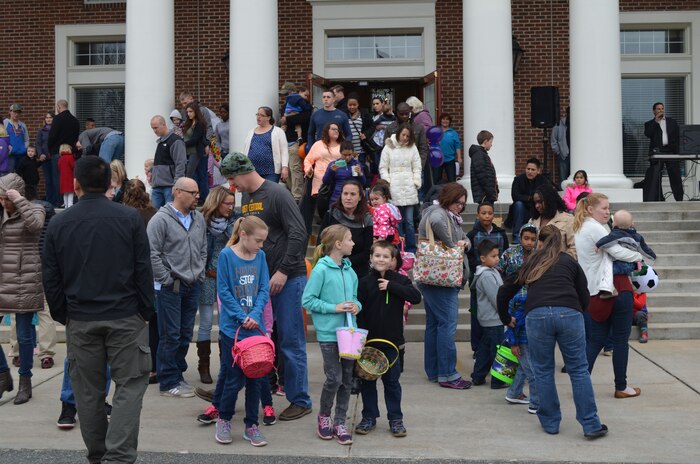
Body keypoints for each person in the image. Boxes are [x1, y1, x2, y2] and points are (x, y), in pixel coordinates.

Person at [42, 156, 155, 462]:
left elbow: (50, 277)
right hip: (125, 316)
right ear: (110, 184)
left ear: (75, 184)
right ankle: (117, 457)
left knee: (88, 392)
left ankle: (100, 454)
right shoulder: (129, 218)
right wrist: (146, 310)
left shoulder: (59, 222)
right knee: (130, 385)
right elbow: (143, 268)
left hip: (82, 317)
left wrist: (63, 314)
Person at [220, 152, 312, 421]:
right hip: (259, 281)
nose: (232, 185)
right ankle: (260, 389)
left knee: (290, 341)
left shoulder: (277, 193)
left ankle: (300, 398)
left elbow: (298, 232)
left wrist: (283, 271)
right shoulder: (247, 199)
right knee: (260, 340)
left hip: (288, 277)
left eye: (232, 178)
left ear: (244, 171)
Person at [497, 226, 608, 439]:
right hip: (569, 313)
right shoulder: (569, 262)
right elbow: (584, 294)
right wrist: (576, 311)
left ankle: (550, 423)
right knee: (578, 370)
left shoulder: (531, 262)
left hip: (537, 315)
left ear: (541, 241)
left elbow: (505, 291)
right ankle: (591, 424)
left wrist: (505, 318)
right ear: (562, 243)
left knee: (543, 370)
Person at [573, 193, 643, 399]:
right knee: (620, 340)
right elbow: (618, 252)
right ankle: (621, 387)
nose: (608, 212)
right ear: (590, 209)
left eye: (608, 208)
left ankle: (580, 383)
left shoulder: (581, 227)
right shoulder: (596, 228)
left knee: (596, 340)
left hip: (595, 293)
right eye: (604, 208)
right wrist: (640, 255)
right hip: (615, 288)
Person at [213, 216, 271, 447]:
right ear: (244, 235)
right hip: (233, 330)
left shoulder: (261, 256)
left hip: (255, 330)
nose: (261, 245)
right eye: (258, 240)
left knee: (256, 378)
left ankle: (251, 425)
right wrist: (241, 316)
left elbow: (264, 288)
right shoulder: (227, 256)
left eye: (264, 241)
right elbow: (224, 290)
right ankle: (224, 419)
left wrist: (255, 316)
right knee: (233, 378)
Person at [147, 177, 207, 398]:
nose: (197, 196)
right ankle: (168, 381)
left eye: (197, 192)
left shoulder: (198, 218)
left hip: (193, 285)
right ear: (177, 192)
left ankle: (177, 374)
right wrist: (166, 279)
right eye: (193, 192)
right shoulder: (160, 220)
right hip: (170, 287)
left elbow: (203, 247)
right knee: (170, 334)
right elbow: (151, 253)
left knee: (183, 334)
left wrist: (199, 274)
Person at [302, 224, 361, 445]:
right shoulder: (321, 270)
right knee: (334, 378)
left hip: (350, 333)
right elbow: (307, 300)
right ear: (338, 244)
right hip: (329, 333)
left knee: (347, 379)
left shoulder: (350, 270)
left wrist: (357, 306)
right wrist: (334, 308)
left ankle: (340, 421)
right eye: (350, 239)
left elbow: (355, 298)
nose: (353, 243)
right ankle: (324, 416)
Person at [355, 241, 421, 437]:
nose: (380, 259)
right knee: (367, 381)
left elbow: (415, 297)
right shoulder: (364, 282)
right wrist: (360, 337)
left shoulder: (400, 281)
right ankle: (369, 417)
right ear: (371, 258)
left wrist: (391, 286)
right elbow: (359, 311)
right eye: (377, 256)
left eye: (385, 256)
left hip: (393, 343)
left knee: (392, 382)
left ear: (393, 260)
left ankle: (395, 418)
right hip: (370, 343)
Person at [417, 183, 471, 389]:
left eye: (463, 205)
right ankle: (448, 374)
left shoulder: (446, 215)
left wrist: (463, 241)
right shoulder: (440, 216)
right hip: (441, 280)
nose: (460, 208)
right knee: (447, 324)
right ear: (449, 198)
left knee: (434, 324)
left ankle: (434, 371)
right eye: (458, 203)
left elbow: (464, 239)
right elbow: (453, 242)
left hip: (433, 278)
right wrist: (461, 242)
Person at [0, 173, 46, 405]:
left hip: (23, 278)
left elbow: (35, 226)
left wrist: (19, 201)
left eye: (6, 198)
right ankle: (2, 373)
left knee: (25, 335)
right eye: (1, 198)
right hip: (1, 277)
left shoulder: (36, 209)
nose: (3, 202)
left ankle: (25, 381)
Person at [197, 186, 239, 384]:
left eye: (233, 203)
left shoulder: (234, 221)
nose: (231, 207)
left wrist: (231, 225)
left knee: (226, 323)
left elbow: (236, 241)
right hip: (207, 276)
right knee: (205, 323)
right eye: (227, 203)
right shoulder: (202, 220)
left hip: (227, 279)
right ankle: (203, 366)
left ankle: (226, 363)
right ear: (216, 201)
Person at [122, 179, 159, 384]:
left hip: (129, 275)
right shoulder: (154, 214)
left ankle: (132, 364)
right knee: (153, 322)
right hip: (152, 275)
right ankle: (154, 367)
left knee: (131, 323)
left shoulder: (123, 216)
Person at [379, 123, 422, 253]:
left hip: (409, 185)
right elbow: (383, 167)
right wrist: (388, 182)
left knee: (409, 221)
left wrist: (416, 181)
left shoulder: (412, 147)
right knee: (396, 221)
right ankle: (397, 248)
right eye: (403, 135)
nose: (405, 138)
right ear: (398, 133)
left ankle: (411, 249)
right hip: (394, 186)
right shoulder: (388, 147)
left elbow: (417, 166)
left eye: (408, 136)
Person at [319, 179, 373, 279]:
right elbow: (321, 243)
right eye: (345, 193)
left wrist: (345, 262)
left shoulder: (367, 220)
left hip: (357, 273)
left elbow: (367, 252)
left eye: (353, 194)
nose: (348, 198)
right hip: (330, 269)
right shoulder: (331, 214)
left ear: (360, 197)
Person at [595, 210, 656, 298]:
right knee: (626, 274)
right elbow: (644, 248)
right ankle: (633, 286)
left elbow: (608, 240)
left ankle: (611, 289)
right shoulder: (638, 237)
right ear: (632, 223)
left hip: (620, 263)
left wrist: (598, 245)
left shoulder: (617, 234)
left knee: (607, 270)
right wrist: (652, 256)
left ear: (615, 224)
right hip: (632, 265)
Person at [470, 240, 505, 388]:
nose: (497, 259)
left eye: (498, 255)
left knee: (484, 350)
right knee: (498, 351)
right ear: (483, 258)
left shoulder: (490, 272)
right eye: (493, 256)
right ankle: (498, 380)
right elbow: (496, 298)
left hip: (488, 319)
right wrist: (506, 316)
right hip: (494, 319)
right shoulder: (487, 276)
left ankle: (478, 376)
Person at [303, 122, 344, 232]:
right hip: (321, 180)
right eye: (334, 129)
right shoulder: (318, 144)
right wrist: (308, 169)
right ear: (327, 131)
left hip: (338, 180)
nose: (337, 131)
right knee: (322, 206)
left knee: (336, 206)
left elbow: (347, 162)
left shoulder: (343, 145)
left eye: (338, 129)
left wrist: (336, 166)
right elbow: (308, 159)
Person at [384, 103, 430, 195]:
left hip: (414, 167)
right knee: (397, 195)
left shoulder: (419, 128)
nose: (404, 116)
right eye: (402, 114)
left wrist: (419, 166)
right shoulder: (390, 128)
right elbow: (386, 149)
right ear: (397, 113)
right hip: (396, 168)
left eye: (406, 113)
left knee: (417, 195)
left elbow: (423, 148)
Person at [643, 102, 684, 202]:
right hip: (658, 152)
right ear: (654, 111)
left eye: (662, 109)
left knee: (674, 175)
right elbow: (648, 134)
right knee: (656, 176)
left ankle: (679, 199)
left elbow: (677, 136)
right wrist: (656, 121)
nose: (661, 111)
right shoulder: (649, 123)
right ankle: (659, 198)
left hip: (670, 151)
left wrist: (678, 152)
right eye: (658, 109)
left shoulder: (672, 122)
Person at [280, 86, 311, 203]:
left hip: (295, 141)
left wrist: (288, 120)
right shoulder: (286, 105)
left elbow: (305, 117)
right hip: (285, 141)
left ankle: (297, 196)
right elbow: (283, 119)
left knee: (295, 168)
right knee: (285, 169)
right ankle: (293, 193)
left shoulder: (304, 106)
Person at [242, 106, 289, 184]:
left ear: (268, 117)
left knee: (268, 194)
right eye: (257, 114)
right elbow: (244, 150)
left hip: (271, 173)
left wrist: (285, 167)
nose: (258, 117)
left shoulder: (278, 131)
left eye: (261, 115)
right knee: (251, 195)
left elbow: (284, 151)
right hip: (251, 172)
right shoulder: (251, 132)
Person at [149, 115, 188, 208]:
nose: (154, 131)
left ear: (164, 124)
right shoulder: (161, 142)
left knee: (171, 215)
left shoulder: (176, 141)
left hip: (170, 186)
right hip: (157, 186)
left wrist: (177, 185)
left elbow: (181, 163)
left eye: (156, 128)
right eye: (152, 128)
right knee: (155, 216)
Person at [529, 184, 576, 257]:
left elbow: (574, 248)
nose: (537, 206)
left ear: (549, 200)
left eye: (540, 202)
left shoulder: (568, 220)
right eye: (535, 203)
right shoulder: (532, 221)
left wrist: (562, 264)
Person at [47, 100, 79, 206]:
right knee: (70, 177)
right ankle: (70, 201)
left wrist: (50, 148)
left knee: (58, 178)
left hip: (58, 152)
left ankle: (59, 201)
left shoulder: (57, 119)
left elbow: (52, 135)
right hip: (71, 153)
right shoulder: (75, 120)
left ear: (59, 107)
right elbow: (76, 137)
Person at [509, 158, 546, 243]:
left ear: (538, 171)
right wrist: (530, 198)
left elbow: (545, 195)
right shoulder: (518, 180)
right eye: (528, 169)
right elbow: (515, 196)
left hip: (536, 209)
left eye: (533, 170)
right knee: (518, 204)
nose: (529, 172)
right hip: (522, 210)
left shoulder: (543, 180)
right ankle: (517, 236)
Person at [322, 140, 365, 206]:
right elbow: (325, 181)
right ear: (340, 153)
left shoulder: (356, 164)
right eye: (344, 155)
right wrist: (331, 171)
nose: (347, 157)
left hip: (352, 199)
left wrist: (360, 174)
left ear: (353, 153)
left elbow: (363, 183)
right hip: (336, 198)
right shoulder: (334, 164)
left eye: (350, 155)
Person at [182, 102, 210, 203]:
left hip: (195, 152)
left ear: (196, 112)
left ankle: (200, 198)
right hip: (187, 153)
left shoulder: (199, 124)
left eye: (191, 111)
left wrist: (182, 144)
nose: (188, 114)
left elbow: (196, 139)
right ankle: (194, 197)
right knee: (192, 175)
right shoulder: (188, 123)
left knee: (190, 175)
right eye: (187, 112)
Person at [468, 130, 498, 204]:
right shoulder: (479, 154)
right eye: (490, 142)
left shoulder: (482, 154)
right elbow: (482, 175)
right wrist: (490, 191)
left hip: (486, 193)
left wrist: (495, 189)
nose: (491, 145)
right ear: (485, 141)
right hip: (484, 194)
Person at [36, 111, 59, 204]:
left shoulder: (57, 130)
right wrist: (40, 154)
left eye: (50, 117)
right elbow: (38, 144)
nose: (48, 119)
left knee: (55, 180)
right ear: (45, 119)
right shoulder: (41, 131)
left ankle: (57, 200)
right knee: (48, 180)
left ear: (53, 119)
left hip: (54, 157)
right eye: (47, 118)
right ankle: (49, 201)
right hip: (45, 159)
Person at [346, 93, 372, 171]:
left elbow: (372, 126)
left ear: (358, 104)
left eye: (354, 105)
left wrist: (366, 134)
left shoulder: (364, 113)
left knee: (359, 171)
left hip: (360, 150)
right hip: (348, 151)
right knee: (349, 171)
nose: (352, 107)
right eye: (350, 105)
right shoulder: (344, 115)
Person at [435, 113, 462, 183]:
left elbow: (457, 145)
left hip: (450, 159)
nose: (445, 121)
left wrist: (459, 157)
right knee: (436, 180)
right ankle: (438, 194)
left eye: (447, 119)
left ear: (449, 121)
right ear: (440, 120)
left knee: (452, 180)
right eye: (443, 119)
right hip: (438, 159)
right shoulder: (436, 131)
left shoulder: (453, 133)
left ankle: (452, 194)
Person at [4, 103, 30, 172]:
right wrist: (6, 148)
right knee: (10, 176)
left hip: (22, 155)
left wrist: (24, 148)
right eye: (14, 112)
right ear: (10, 112)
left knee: (20, 176)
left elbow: (26, 139)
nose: (16, 114)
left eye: (18, 112)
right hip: (10, 155)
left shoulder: (22, 125)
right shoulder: (5, 123)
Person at [551, 108, 570, 182]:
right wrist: (558, 152)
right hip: (563, 156)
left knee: (578, 179)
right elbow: (553, 140)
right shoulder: (559, 124)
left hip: (577, 156)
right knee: (563, 179)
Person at [57, 144, 76, 208]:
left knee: (65, 192)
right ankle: (70, 205)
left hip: (62, 178)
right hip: (70, 177)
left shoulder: (60, 159)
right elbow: (73, 166)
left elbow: (59, 168)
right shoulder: (70, 157)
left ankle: (66, 205)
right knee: (70, 192)